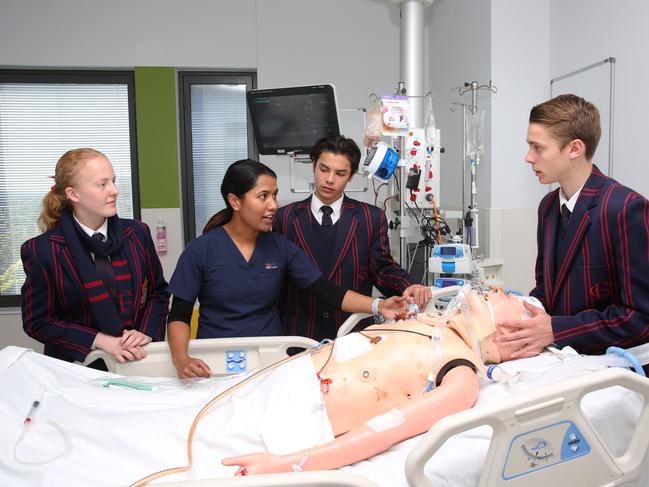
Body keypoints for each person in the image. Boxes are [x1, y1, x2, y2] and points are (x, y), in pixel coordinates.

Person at [130, 286, 532, 484]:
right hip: (275, 384)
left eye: (516, 299)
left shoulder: (459, 374)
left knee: (166, 454)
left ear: (515, 332)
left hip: (293, 417)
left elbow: (380, 432)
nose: (496, 289)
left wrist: (284, 466)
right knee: (162, 424)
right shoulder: (431, 324)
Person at [166, 159, 410, 379]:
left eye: (275, 195)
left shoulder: (280, 247)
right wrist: (181, 359)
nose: (273, 205)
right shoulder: (202, 250)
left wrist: (379, 305)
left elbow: (326, 291)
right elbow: (179, 313)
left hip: (270, 361)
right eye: (263, 196)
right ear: (234, 201)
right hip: (214, 363)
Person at [497, 94, 649, 359]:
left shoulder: (625, 207)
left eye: (538, 147)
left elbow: (640, 317)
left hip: (614, 366)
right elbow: (546, 289)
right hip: (564, 358)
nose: (528, 157)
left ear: (575, 149)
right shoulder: (548, 207)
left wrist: (557, 329)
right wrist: (513, 311)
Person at [274, 135, 431, 341]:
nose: (329, 179)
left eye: (340, 173)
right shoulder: (284, 218)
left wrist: (408, 284)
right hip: (299, 332)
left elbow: (382, 268)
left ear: (351, 176)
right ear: (314, 166)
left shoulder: (370, 217)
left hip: (353, 330)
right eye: (323, 169)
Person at [20, 148, 169, 365]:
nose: (114, 190)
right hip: (77, 368)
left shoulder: (138, 233)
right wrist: (98, 340)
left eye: (114, 181)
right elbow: (38, 322)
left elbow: (158, 293)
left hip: (138, 359)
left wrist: (144, 333)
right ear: (73, 194)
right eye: (102, 184)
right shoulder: (42, 250)